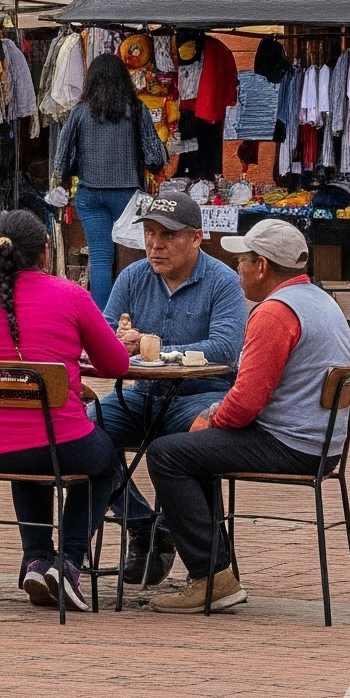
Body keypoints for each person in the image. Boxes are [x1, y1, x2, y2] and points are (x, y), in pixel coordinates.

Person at [145, 219, 350, 614]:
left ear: (261, 266)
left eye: (242, 260)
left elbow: (244, 404)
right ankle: (215, 570)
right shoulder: (319, 299)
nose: (236, 267)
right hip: (321, 441)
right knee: (191, 451)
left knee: (166, 454)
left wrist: (210, 418)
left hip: (292, 444)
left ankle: (211, 577)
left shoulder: (275, 313)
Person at [0, 209, 132, 609]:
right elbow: (116, 365)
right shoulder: (70, 295)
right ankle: (67, 563)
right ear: (45, 254)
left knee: (25, 450)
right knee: (104, 462)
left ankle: (36, 558)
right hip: (58, 438)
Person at [95, 183, 248, 587]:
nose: (155, 245)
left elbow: (224, 349)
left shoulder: (222, 282)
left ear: (196, 237)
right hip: (138, 396)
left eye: (168, 235)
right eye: (150, 233)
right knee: (79, 427)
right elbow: (104, 335)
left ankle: (209, 562)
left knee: (198, 437)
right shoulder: (132, 277)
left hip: (198, 395)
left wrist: (153, 348)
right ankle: (140, 521)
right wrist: (117, 344)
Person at [49, 52, 152, 307]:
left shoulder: (80, 112)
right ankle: (133, 312)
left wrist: (63, 180)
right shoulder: (137, 110)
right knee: (134, 255)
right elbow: (154, 154)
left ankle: (105, 320)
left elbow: (62, 156)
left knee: (100, 259)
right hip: (128, 194)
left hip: (90, 193)